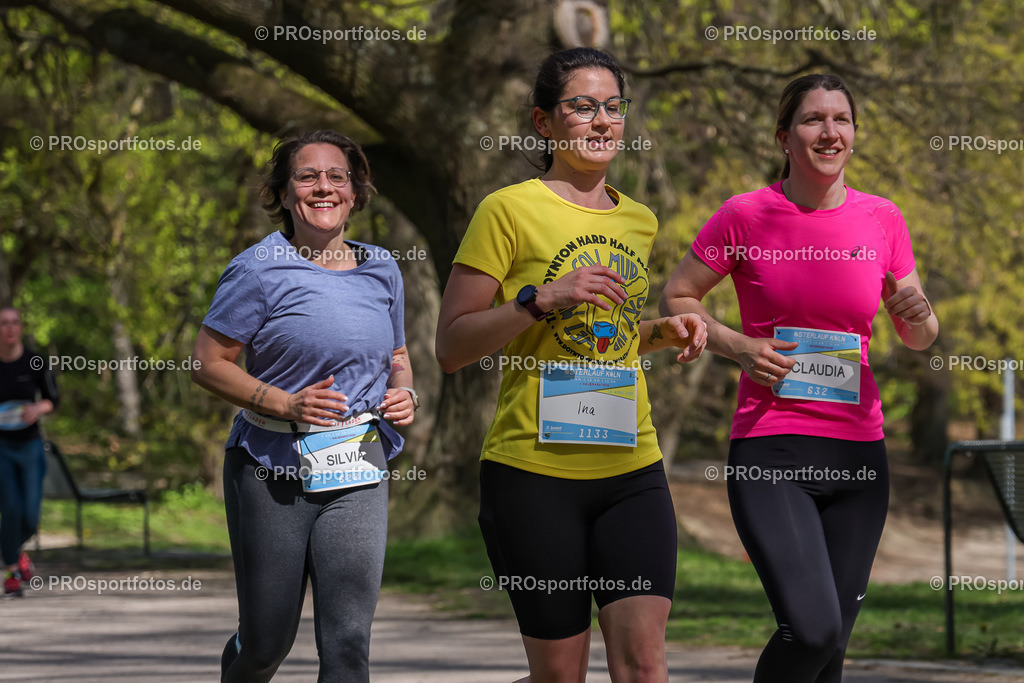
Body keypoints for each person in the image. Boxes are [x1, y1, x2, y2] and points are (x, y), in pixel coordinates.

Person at [435, 47, 707, 682]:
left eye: (613, 107)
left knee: (644, 666)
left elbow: (604, 340)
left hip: (630, 466)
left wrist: (660, 332)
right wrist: (540, 300)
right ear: (544, 121)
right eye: (583, 107)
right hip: (534, 472)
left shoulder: (639, 219)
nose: (602, 121)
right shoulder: (507, 210)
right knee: (560, 677)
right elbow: (451, 346)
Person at [660, 74, 939, 683]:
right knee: (811, 630)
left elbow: (918, 333)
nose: (830, 132)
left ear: (854, 134)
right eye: (814, 119)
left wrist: (921, 316)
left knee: (831, 649)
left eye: (842, 119)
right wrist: (738, 347)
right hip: (772, 448)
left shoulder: (882, 218)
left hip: (860, 454)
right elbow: (677, 297)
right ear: (784, 137)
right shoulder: (746, 214)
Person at [191, 129, 416, 683]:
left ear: (355, 192)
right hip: (271, 465)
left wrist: (405, 393)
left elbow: (397, 354)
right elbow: (208, 363)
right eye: (307, 176)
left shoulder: (382, 266)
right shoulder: (257, 269)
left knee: (347, 644)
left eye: (337, 177)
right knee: (267, 642)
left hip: (357, 462)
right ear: (284, 192)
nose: (323, 187)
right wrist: (287, 403)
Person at [0, 306, 58, 598]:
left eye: (14, 322)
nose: (10, 328)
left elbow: (53, 399)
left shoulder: (35, 361)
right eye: (3, 323)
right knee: (10, 509)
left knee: (30, 518)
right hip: (1, 447)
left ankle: (14, 551)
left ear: (21, 327)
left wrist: (37, 408)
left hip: (31, 445)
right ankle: (11, 572)